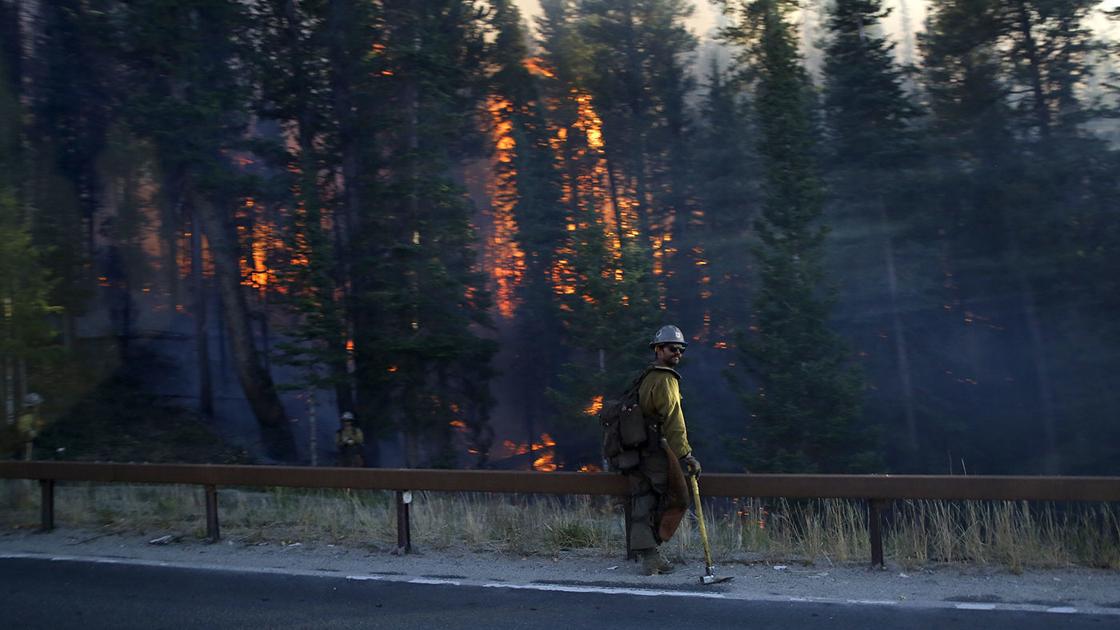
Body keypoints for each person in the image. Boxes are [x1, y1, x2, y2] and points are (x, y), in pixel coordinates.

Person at [629, 324, 702, 576]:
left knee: (644, 499)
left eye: (681, 349)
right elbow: (674, 420)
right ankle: (651, 556)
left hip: (638, 449)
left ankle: (650, 555)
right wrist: (686, 455)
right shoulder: (666, 379)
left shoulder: (648, 376)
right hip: (655, 451)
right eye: (673, 348)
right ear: (658, 350)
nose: (678, 353)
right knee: (672, 498)